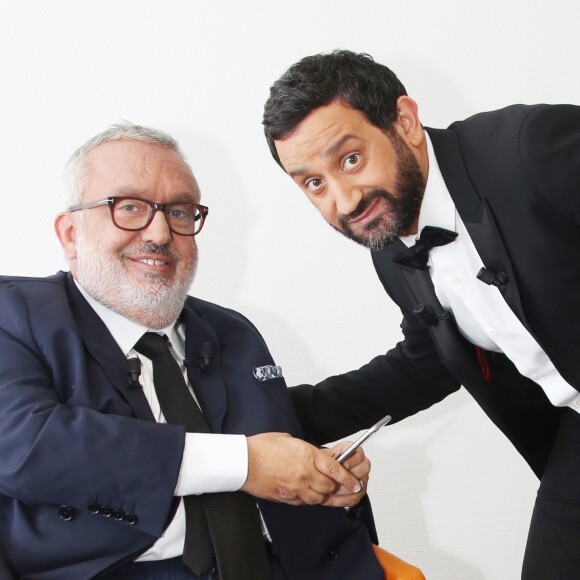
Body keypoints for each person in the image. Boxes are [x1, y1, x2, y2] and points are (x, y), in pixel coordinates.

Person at [0, 122, 385, 580]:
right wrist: (246, 464)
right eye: (129, 207)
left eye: (180, 212)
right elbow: (27, 445)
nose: (160, 233)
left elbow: (277, 445)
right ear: (69, 233)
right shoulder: (15, 315)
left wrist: (320, 475)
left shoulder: (231, 332)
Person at [262, 50, 580, 579]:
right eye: (313, 183)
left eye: (349, 159)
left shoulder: (531, 147)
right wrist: (269, 420)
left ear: (404, 122)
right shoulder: (389, 243)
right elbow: (424, 364)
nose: (343, 200)